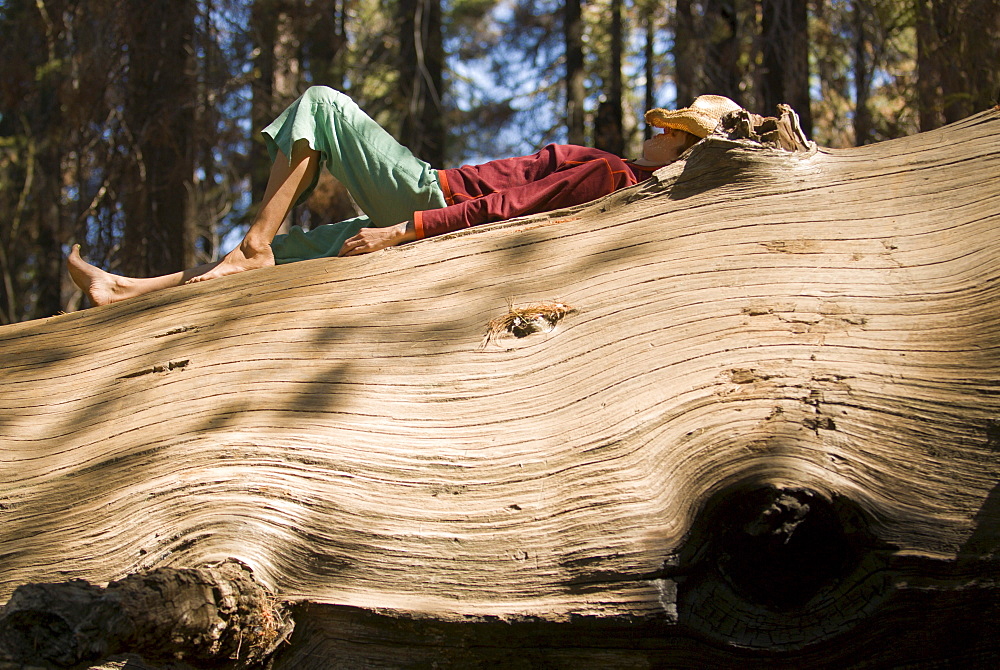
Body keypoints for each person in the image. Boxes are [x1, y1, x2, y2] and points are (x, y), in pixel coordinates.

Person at [68, 88, 740, 306]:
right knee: (298, 254)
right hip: (427, 208)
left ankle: (251, 243)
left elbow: (506, 209)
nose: (653, 131)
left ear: (684, 149)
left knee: (324, 105)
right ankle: (132, 292)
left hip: (428, 197)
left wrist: (405, 229)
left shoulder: (613, 178)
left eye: (667, 130)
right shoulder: (623, 178)